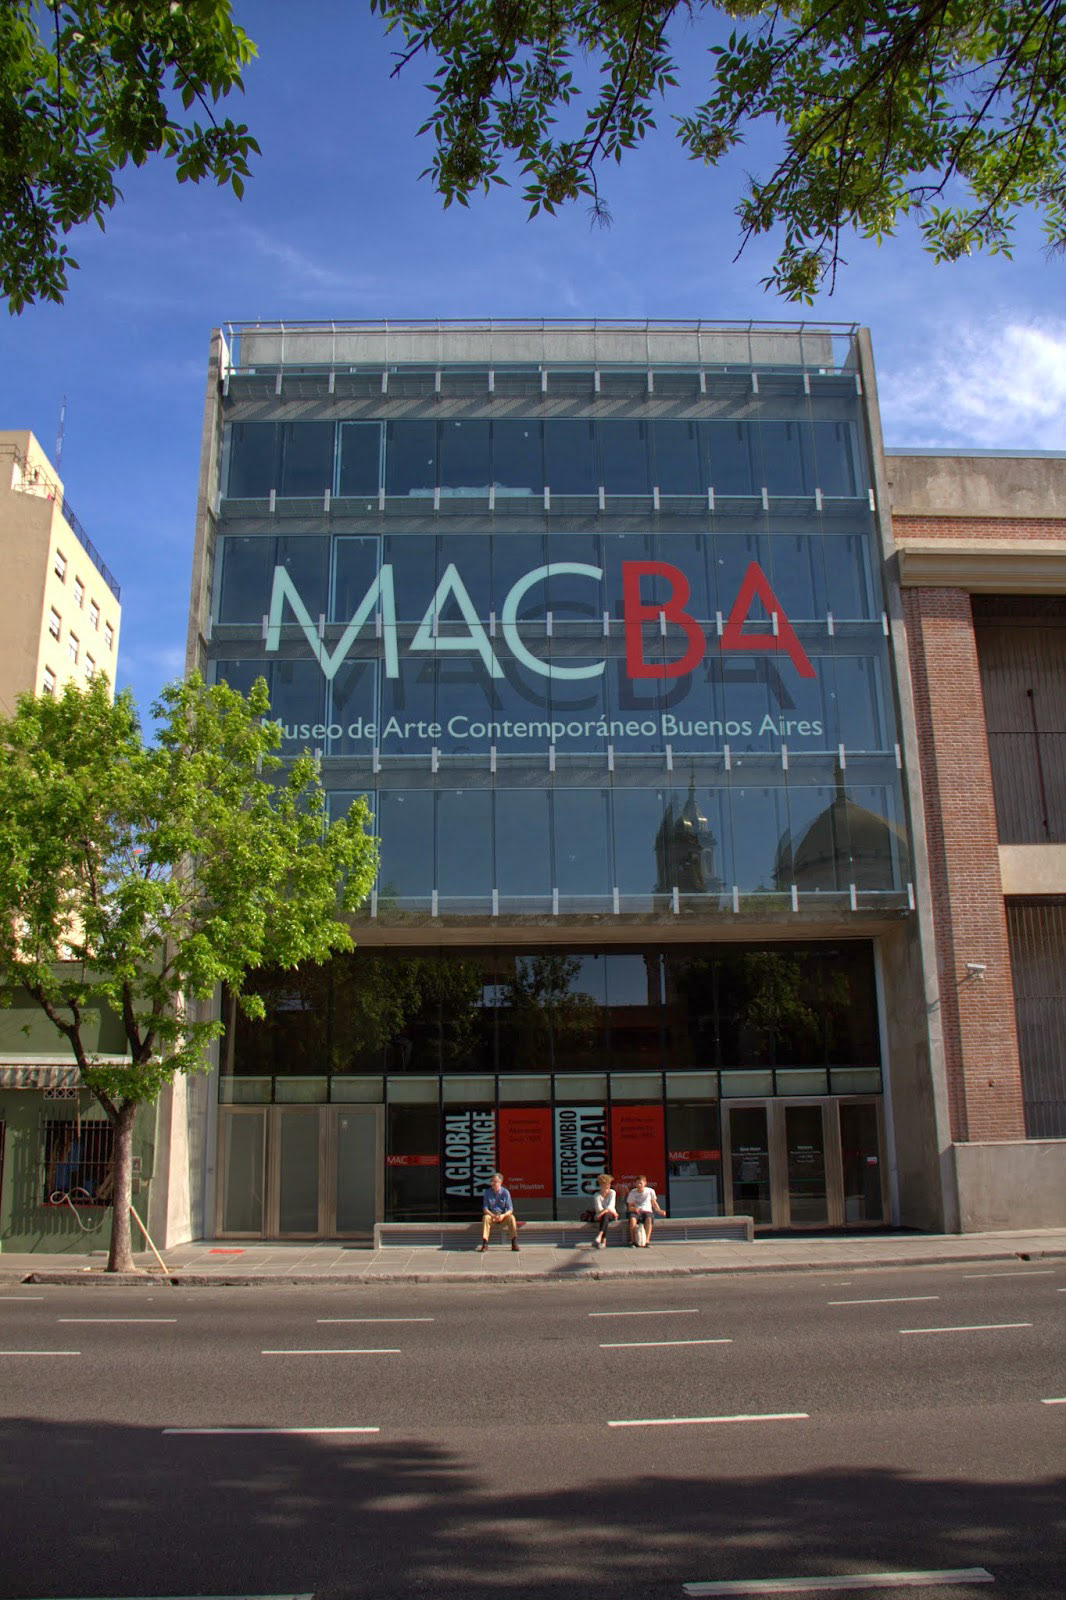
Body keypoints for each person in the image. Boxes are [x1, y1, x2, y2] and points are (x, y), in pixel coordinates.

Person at [479, 1171, 520, 1251]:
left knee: (512, 1218)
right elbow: (485, 1208)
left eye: (495, 1181)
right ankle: (484, 1243)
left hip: (503, 1216)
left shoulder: (505, 1192)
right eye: (492, 1181)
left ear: (500, 1182)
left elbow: (510, 1209)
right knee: (485, 1217)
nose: (493, 1183)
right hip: (492, 1216)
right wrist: (493, 1215)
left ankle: (514, 1243)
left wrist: (503, 1216)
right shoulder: (487, 1192)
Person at [625, 1174, 666, 1246]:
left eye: (640, 1183)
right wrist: (635, 1209)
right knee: (632, 1220)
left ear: (645, 1183)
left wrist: (659, 1211)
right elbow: (629, 1207)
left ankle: (646, 1241)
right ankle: (633, 1241)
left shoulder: (650, 1191)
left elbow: (654, 1203)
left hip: (647, 1211)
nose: (639, 1185)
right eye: (637, 1183)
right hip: (637, 1211)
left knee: (649, 1219)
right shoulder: (632, 1192)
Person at [591, 1172, 617, 1248]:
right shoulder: (597, 1195)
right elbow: (598, 1208)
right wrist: (604, 1212)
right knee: (605, 1217)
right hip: (603, 1215)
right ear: (602, 1185)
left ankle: (600, 1236)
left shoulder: (612, 1192)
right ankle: (603, 1242)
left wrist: (603, 1212)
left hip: (610, 1214)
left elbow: (611, 1206)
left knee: (605, 1216)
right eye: (606, 1184)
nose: (608, 1185)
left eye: (609, 1183)